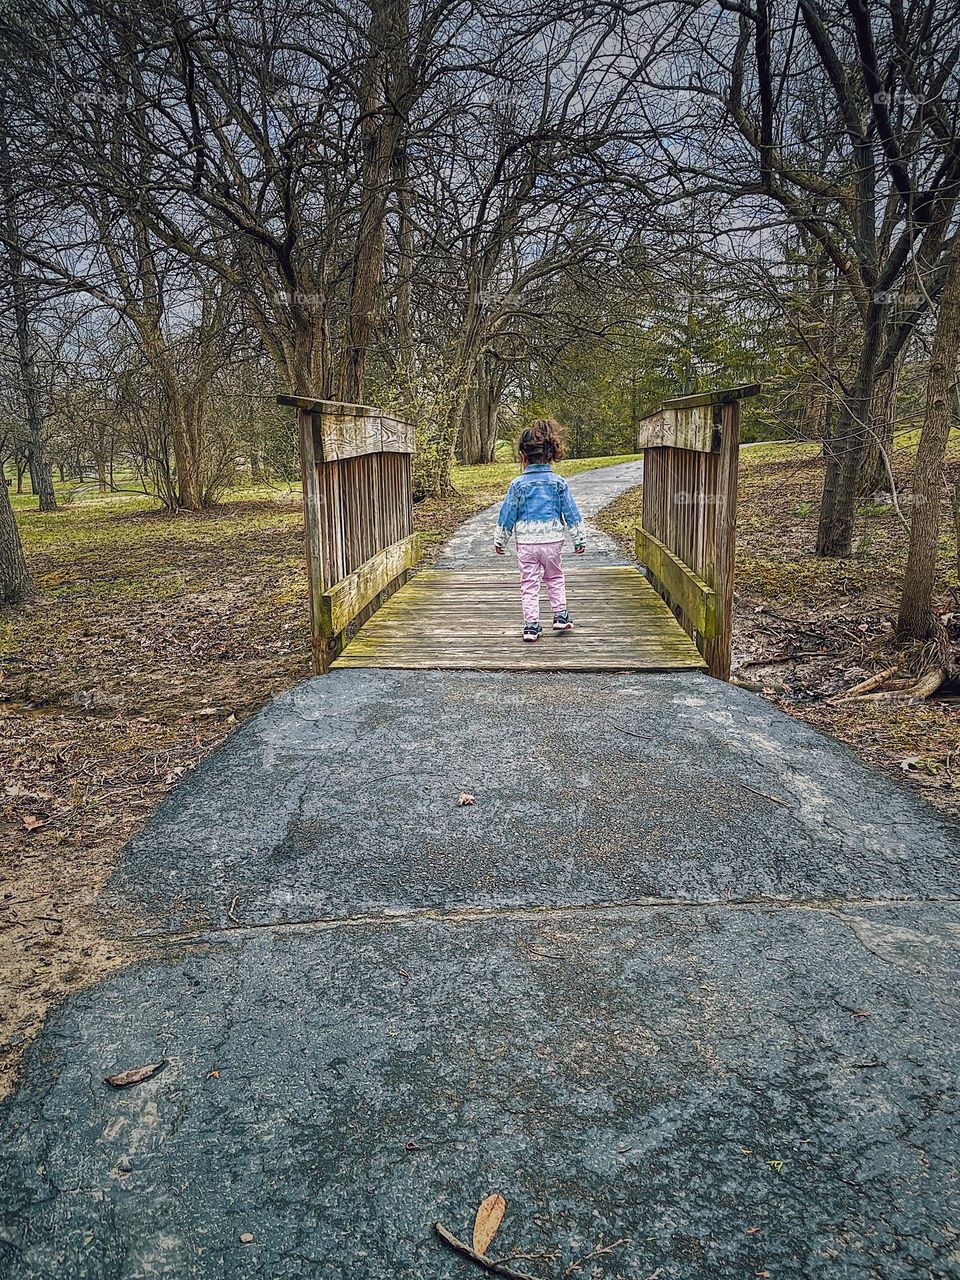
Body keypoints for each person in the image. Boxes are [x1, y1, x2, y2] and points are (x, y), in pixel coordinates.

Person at [493, 419, 586, 642]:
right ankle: (561, 616)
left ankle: (531, 626)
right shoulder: (558, 483)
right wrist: (579, 538)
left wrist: (500, 540)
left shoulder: (517, 485)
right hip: (553, 541)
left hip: (526, 544)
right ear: (551, 454)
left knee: (529, 583)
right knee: (554, 577)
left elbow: (507, 515)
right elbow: (571, 512)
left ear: (523, 456)